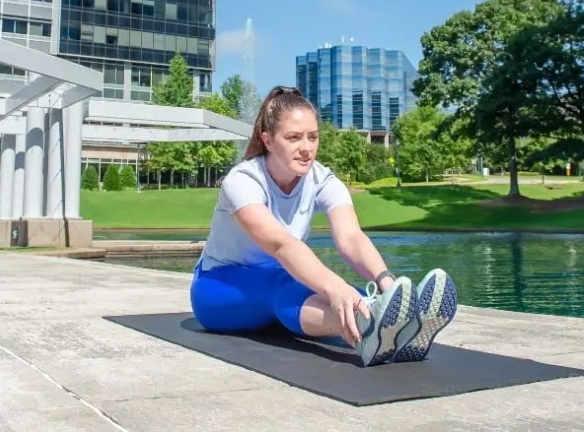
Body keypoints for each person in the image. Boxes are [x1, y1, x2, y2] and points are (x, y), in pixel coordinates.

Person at [189, 85, 457, 367]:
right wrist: (334, 287)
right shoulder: (242, 181)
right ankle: (367, 324)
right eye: (293, 138)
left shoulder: (322, 180)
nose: (306, 148)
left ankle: (395, 328)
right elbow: (282, 245)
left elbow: (351, 238)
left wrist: (386, 284)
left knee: (346, 293)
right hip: (217, 289)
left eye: (313, 137)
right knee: (293, 286)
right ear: (267, 140)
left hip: (280, 283)